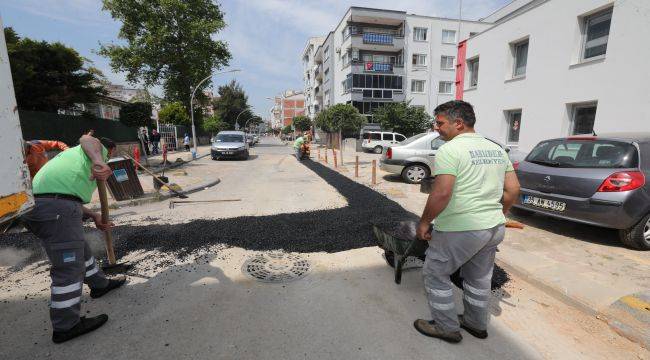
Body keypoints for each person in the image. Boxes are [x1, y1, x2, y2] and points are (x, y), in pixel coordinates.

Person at [413, 100, 520, 343]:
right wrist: (498, 214)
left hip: (460, 230)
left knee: (434, 273)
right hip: (493, 228)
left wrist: (424, 222)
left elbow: (441, 193)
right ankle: (475, 323)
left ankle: (446, 327)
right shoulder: (496, 149)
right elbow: (513, 190)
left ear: (458, 123)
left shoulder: (450, 150)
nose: (436, 128)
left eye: (440, 123)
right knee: (479, 279)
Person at [22, 135, 127, 344]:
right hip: (55, 210)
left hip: (44, 206)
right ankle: (65, 325)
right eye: (109, 155)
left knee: (79, 248)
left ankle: (99, 284)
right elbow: (87, 138)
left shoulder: (71, 158)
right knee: (69, 267)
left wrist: (94, 215)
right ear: (111, 151)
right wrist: (99, 159)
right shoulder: (93, 149)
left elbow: (63, 194)